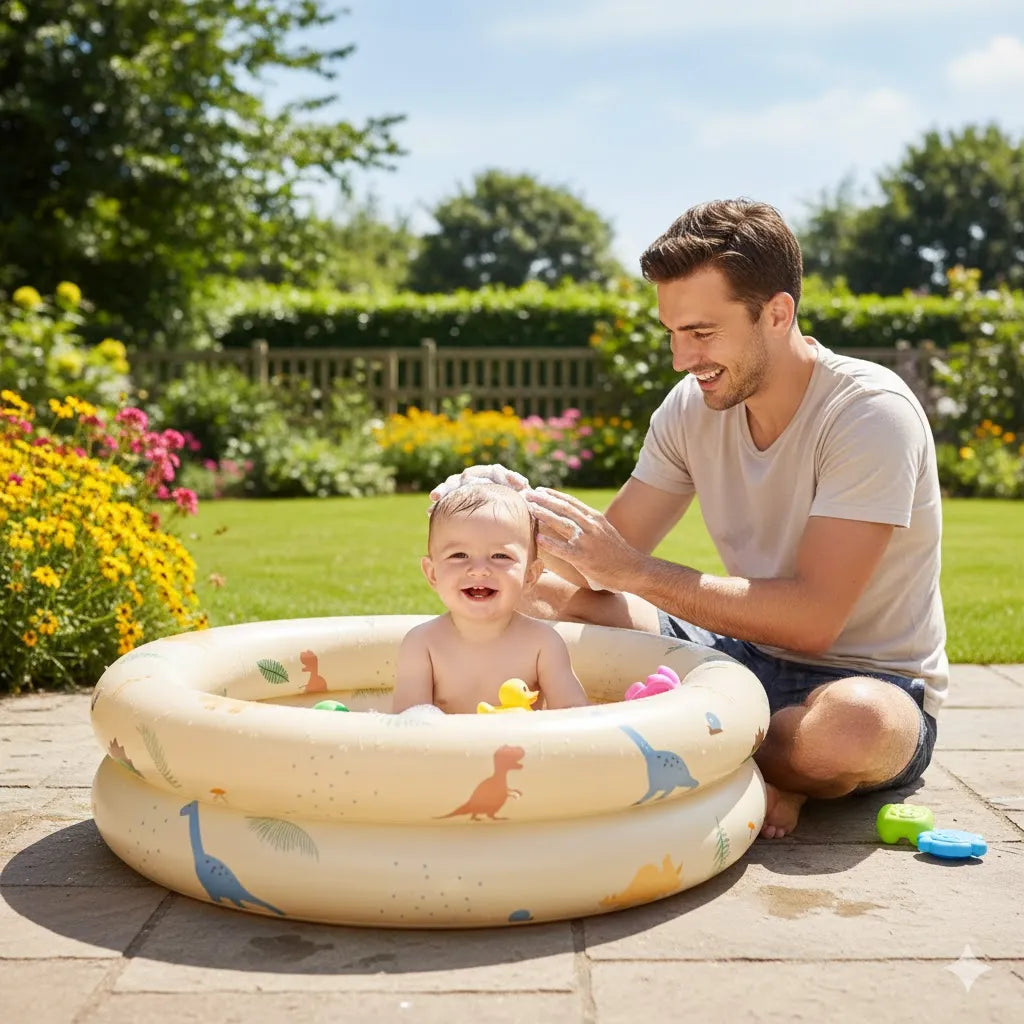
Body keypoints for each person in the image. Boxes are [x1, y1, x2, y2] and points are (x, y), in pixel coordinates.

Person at [432, 198, 947, 839]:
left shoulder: (869, 413)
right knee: (529, 592)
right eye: (672, 333)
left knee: (854, 728)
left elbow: (814, 621)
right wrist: (505, 507)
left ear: (777, 313)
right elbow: (601, 563)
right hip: (737, 653)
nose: (681, 358)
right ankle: (746, 762)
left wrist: (636, 572)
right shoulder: (692, 406)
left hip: (867, 680)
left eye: (701, 333)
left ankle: (713, 751)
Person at [392, 482, 589, 715]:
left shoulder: (543, 644)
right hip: (450, 750)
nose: (479, 570)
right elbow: (408, 726)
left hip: (519, 749)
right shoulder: (423, 644)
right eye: (459, 555)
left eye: (500, 555)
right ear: (432, 573)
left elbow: (574, 716)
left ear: (530, 575)